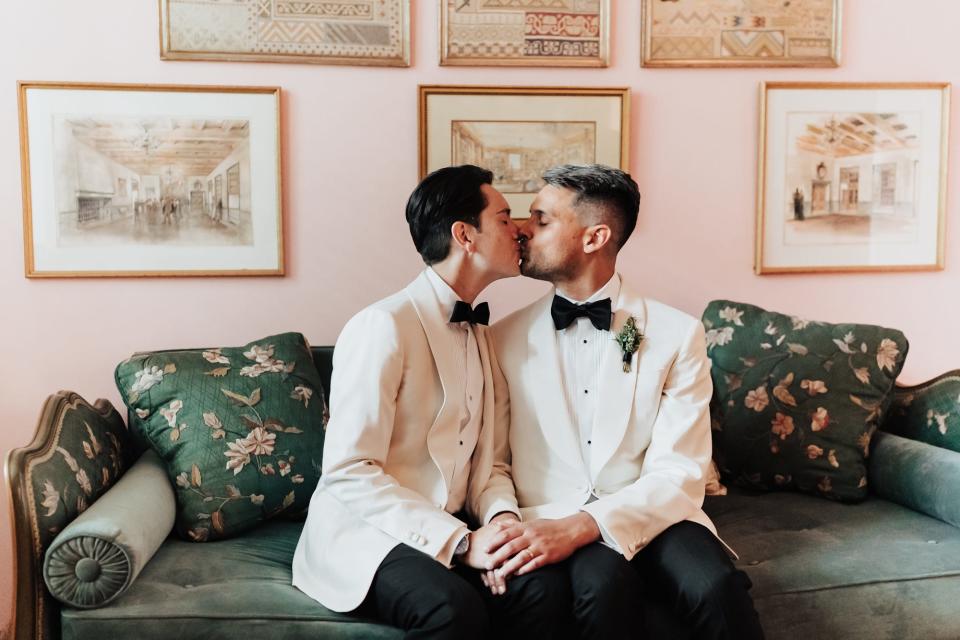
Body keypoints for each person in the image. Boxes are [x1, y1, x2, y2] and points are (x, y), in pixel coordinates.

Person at [292, 165, 570, 639]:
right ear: (466, 235)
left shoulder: (484, 333)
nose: (519, 231)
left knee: (544, 589)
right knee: (451, 608)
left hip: (456, 522)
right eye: (504, 219)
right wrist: (462, 543)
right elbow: (350, 471)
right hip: (370, 531)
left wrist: (502, 528)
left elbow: (492, 466)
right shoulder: (383, 325)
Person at [488, 164, 764, 639]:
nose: (522, 231)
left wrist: (586, 525)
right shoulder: (501, 338)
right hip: (544, 514)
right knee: (602, 587)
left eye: (541, 218)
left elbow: (681, 470)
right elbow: (491, 461)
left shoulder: (677, 334)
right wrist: (503, 525)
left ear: (594, 238)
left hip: (655, 513)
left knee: (715, 587)